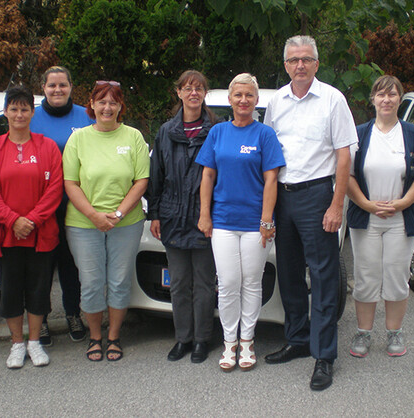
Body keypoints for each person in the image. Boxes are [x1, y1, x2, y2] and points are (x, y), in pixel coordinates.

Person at [264, 35, 357, 391]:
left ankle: (324, 355)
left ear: (317, 64)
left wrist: (337, 204)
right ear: (285, 65)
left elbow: (344, 157)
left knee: (323, 278)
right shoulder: (276, 102)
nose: (299, 65)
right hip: (283, 197)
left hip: (319, 195)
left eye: (306, 59)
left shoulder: (333, 99)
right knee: (288, 274)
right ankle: (298, 339)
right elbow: (269, 154)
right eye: (293, 60)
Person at [197, 73, 285, 372]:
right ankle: (229, 343)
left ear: (257, 100)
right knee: (229, 282)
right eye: (238, 95)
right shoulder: (217, 133)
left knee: (251, 282)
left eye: (249, 95)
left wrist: (266, 220)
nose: (243, 100)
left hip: (254, 223)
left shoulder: (265, 135)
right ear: (230, 100)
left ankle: (247, 342)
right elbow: (207, 176)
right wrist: (204, 214)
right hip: (222, 220)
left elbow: (271, 179)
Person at [63, 81, 149, 362]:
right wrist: (94, 216)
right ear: (92, 105)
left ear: (121, 106)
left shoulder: (133, 137)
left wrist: (119, 214)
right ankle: (94, 336)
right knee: (90, 282)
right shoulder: (78, 139)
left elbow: (141, 181)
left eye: (113, 102)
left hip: (126, 222)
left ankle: (113, 336)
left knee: (119, 281)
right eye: (102, 102)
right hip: (83, 223)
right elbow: (71, 182)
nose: (107, 107)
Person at [0, 86, 63, 369]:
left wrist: (33, 220)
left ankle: (35, 341)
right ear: (5, 112)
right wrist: (13, 220)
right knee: (11, 290)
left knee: (39, 290)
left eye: (25, 108)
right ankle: (16, 344)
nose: (19, 114)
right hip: (6, 234)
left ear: (32, 112)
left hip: (41, 234)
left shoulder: (47, 147)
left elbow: (54, 189)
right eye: (13, 108)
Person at [346, 75, 414, 358]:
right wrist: (367, 204)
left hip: (400, 218)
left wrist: (404, 202)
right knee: (366, 276)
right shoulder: (359, 134)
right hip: (366, 217)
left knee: (396, 276)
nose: (386, 99)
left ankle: (394, 332)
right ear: (373, 99)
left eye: (392, 94)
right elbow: (347, 175)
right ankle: (364, 332)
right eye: (381, 94)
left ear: (400, 99)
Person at [148, 70, 217, 364]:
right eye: (187, 88)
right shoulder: (166, 131)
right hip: (173, 215)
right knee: (178, 282)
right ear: (178, 93)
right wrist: (154, 214)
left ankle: (202, 340)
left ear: (204, 94)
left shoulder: (216, 129)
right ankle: (182, 338)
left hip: (204, 216)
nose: (193, 93)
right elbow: (157, 175)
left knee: (203, 282)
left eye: (199, 88)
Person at [30, 65, 94, 346]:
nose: (57, 90)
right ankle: (40, 319)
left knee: (71, 266)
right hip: (41, 208)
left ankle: (72, 314)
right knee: (41, 267)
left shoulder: (85, 116)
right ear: (42, 87)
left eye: (63, 85)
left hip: (76, 206)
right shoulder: (31, 117)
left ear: (71, 87)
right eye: (52, 85)